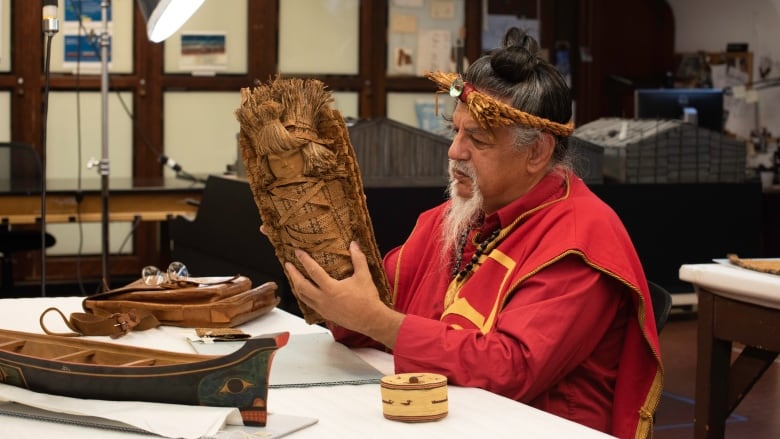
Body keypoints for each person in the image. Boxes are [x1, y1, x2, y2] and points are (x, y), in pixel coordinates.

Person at [283, 28, 663, 438]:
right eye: (455, 131)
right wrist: (316, 253)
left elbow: (510, 369)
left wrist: (379, 322)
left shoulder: (580, 240)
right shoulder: (452, 217)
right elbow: (366, 306)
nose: (454, 151)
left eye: (477, 139)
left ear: (537, 152)